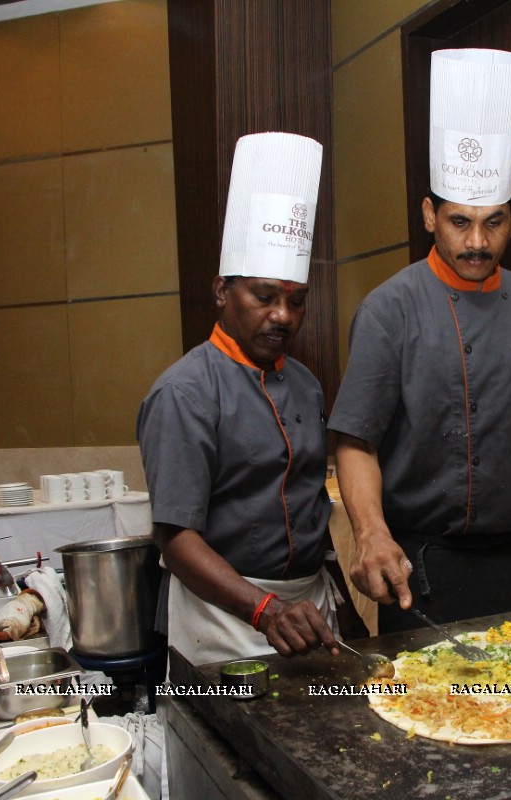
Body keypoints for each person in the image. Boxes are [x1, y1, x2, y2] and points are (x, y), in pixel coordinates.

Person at [328, 49, 511, 634]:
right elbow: (355, 441)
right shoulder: (389, 310)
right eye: (458, 222)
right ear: (428, 214)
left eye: (493, 222)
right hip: (423, 570)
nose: (477, 242)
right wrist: (370, 534)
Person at [137, 132, 363, 664]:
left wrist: (340, 605)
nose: (283, 316)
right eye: (264, 297)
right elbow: (177, 540)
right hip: (221, 618)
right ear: (222, 292)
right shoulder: (184, 392)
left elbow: (309, 509)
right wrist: (264, 610)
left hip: (308, 611)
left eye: (296, 301)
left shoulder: (306, 383)